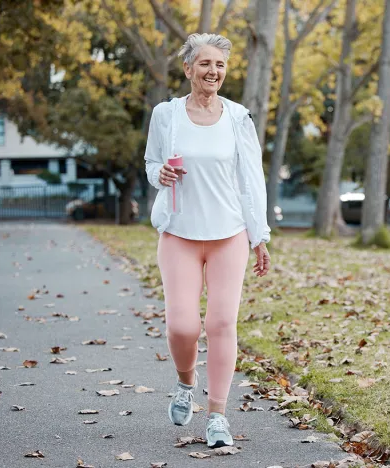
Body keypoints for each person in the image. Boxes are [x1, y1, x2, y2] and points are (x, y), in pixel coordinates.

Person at [144, 33, 271, 449]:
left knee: (220, 324)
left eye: (219, 65)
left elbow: (252, 180)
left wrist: (259, 236)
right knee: (182, 326)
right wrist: (158, 174)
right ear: (188, 69)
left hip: (228, 234)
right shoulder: (166, 115)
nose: (212, 71)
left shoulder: (238, 118)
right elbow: (151, 162)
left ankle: (217, 415)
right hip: (180, 231)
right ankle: (185, 382)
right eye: (204, 64)